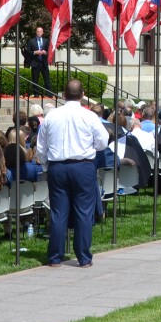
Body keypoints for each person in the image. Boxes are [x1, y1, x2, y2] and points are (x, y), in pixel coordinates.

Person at [35, 79, 108, 268]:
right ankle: (83, 257)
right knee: (84, 211)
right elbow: (102, 142)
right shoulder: (89, 116)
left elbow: (41, 147)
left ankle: (55, 257)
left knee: (59, 212)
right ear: (82, 94)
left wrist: (45, 166)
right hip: (82, 165)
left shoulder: (51, 116)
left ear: (64, 95)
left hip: (58, 166)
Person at [29, 26, 52, 94]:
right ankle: (36, 94)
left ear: (42, 33)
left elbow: (49, 51)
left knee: (47, 79)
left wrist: (46, 52)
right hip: (35, 63)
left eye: (40, 31)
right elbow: (28, 51)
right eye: (37, 31)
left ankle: (49, 93)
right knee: (35, 80)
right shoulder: (31, 41)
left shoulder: (46, 41)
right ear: (36, 32)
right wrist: (35, 52)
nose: (39, 33)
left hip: (43, 63)